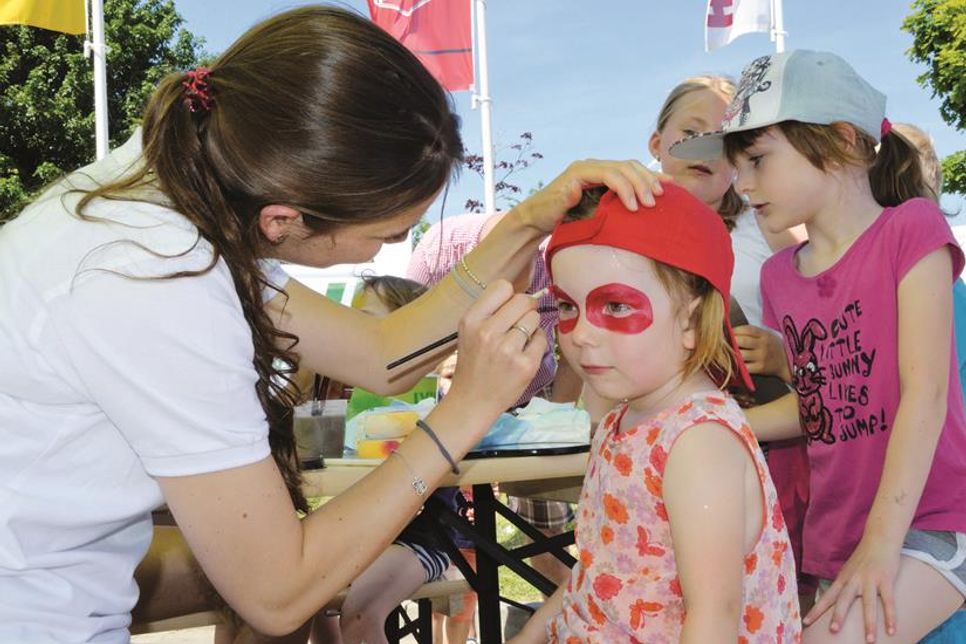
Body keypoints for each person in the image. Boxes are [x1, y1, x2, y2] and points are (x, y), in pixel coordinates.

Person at [0, 5, 662, 640]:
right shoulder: (155, 274)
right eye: (387, 233)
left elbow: (381, 352)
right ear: (284, 220)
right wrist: (467, 410)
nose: (388, 250)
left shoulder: (181, 190)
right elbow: (278, 592)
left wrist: (525, 222)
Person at [672, 49, 966, 642]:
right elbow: (818, 406)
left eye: (756, 158)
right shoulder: (781, 275)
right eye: (736, 165)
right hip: (836, 538)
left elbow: (926, 393)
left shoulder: (910, 230)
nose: (742, 182)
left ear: (840, 142)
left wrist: (882, 544)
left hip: (931, 521)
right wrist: (700, 422)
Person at [510, 183, 801, 643]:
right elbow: (595, 570)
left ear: (690, 319)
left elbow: (712, 620)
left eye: (615, 305)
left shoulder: (699, 444)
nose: (581, 334)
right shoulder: (618, 423)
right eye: (568, 306)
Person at [407, 211, 580, 617]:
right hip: (445, 417)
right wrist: (448, 372)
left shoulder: (559, 257)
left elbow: (570, 358)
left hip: (526, 415)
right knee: (439, 536)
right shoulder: (440, 248)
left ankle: (572, 624)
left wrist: (549, 424)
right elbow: (400, 339)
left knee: (546, 531)